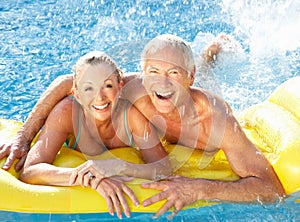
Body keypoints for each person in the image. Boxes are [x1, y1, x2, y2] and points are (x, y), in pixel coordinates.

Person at [1, 34, 284, 218]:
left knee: (209, 83)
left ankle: (209, 57)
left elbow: (272, 190)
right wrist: (24, 136)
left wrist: (199, 189)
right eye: (154, 73)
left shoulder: (217, 121)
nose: (161, 83)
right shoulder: (131, 89)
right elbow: (68, 82)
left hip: (202, 117)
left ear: (188, 78)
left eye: (174, 74)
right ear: (143, 74)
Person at [19, 51, 171, 219]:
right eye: (88, 88)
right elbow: (30, 171)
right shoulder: (67, 113)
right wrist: (90, 178)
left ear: (120, 88)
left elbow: (164, 168)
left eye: (107, 86)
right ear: (76, 94)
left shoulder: (131, 115)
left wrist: (120, 166)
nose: (99, 98)